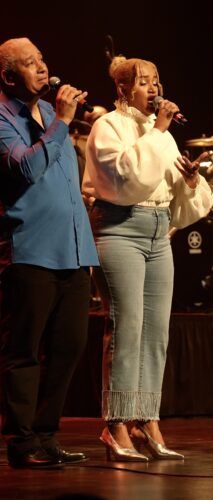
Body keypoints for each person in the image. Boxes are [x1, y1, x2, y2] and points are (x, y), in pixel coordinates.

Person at [82, 56, 212, 461]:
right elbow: (128, 178)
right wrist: (158, 130)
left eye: (156, 80)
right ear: (123, 89)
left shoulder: (162, 134)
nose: (154, 88)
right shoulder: (109, 127)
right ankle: (115, 423)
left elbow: (180, 198)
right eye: (144, 82)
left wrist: (189, 180)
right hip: (120, 228)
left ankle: (147, 418)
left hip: (159, 232)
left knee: (156, 332)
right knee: (128, 327)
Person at [0, 37, 99, 468]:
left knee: (68, 347)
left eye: (42, 59)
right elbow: (26, 166)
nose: (42, 68)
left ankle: (46, 435)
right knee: (24, 351)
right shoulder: (3, 117)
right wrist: (62, 120)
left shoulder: (49, 115)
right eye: (29, 64)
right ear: (7, 76)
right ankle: (21, 443)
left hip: (75, 252)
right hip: (30, 250)